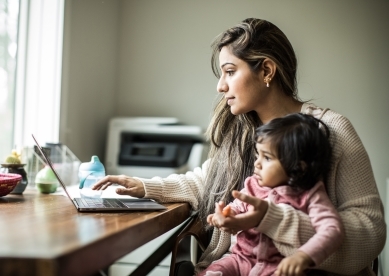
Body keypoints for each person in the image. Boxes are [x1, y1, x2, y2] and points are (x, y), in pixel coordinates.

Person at [93, 18, 386, 275]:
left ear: (267, 70)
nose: (221, 86)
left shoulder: (331, 130)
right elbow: (207, 182)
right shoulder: (241, 132)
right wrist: (143, 187)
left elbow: (370, 230)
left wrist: (273, 222)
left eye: (230, 71)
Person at [201, 113, 344, 276]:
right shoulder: (253, 184)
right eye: (257, 156)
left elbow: (332, 230)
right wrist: (226, 214)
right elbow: (236, 207)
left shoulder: (311, 194)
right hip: (240, 259)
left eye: (267, 158)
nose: (257, 164)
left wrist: (304, 256)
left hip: (280, 267)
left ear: (298, 167)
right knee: (214, 271)